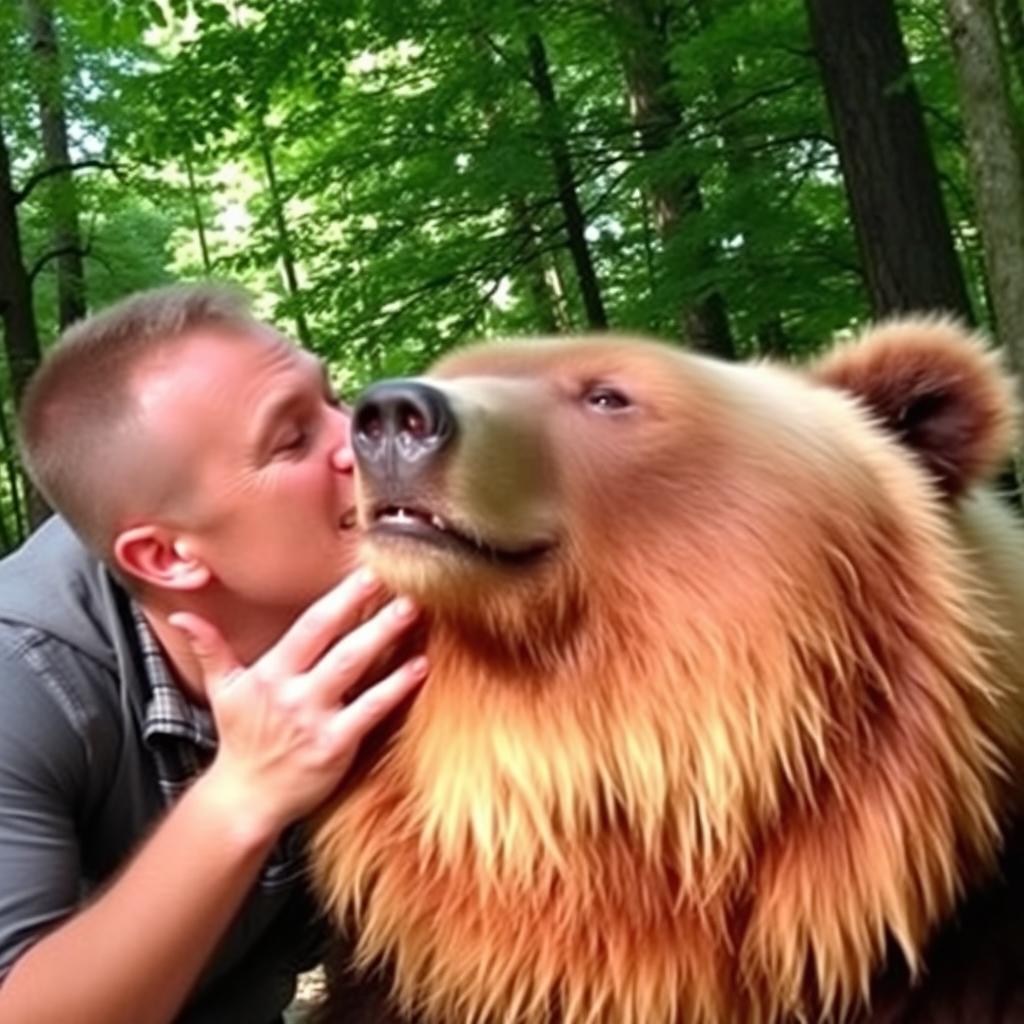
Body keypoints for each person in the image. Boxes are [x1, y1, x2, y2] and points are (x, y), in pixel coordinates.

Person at [0, 284, 428, 1023]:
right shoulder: (23, 680)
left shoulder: (399, 592)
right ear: (165, 557)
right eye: (292, 439)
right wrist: (246, 791)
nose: (355, 434)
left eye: (332, 398)